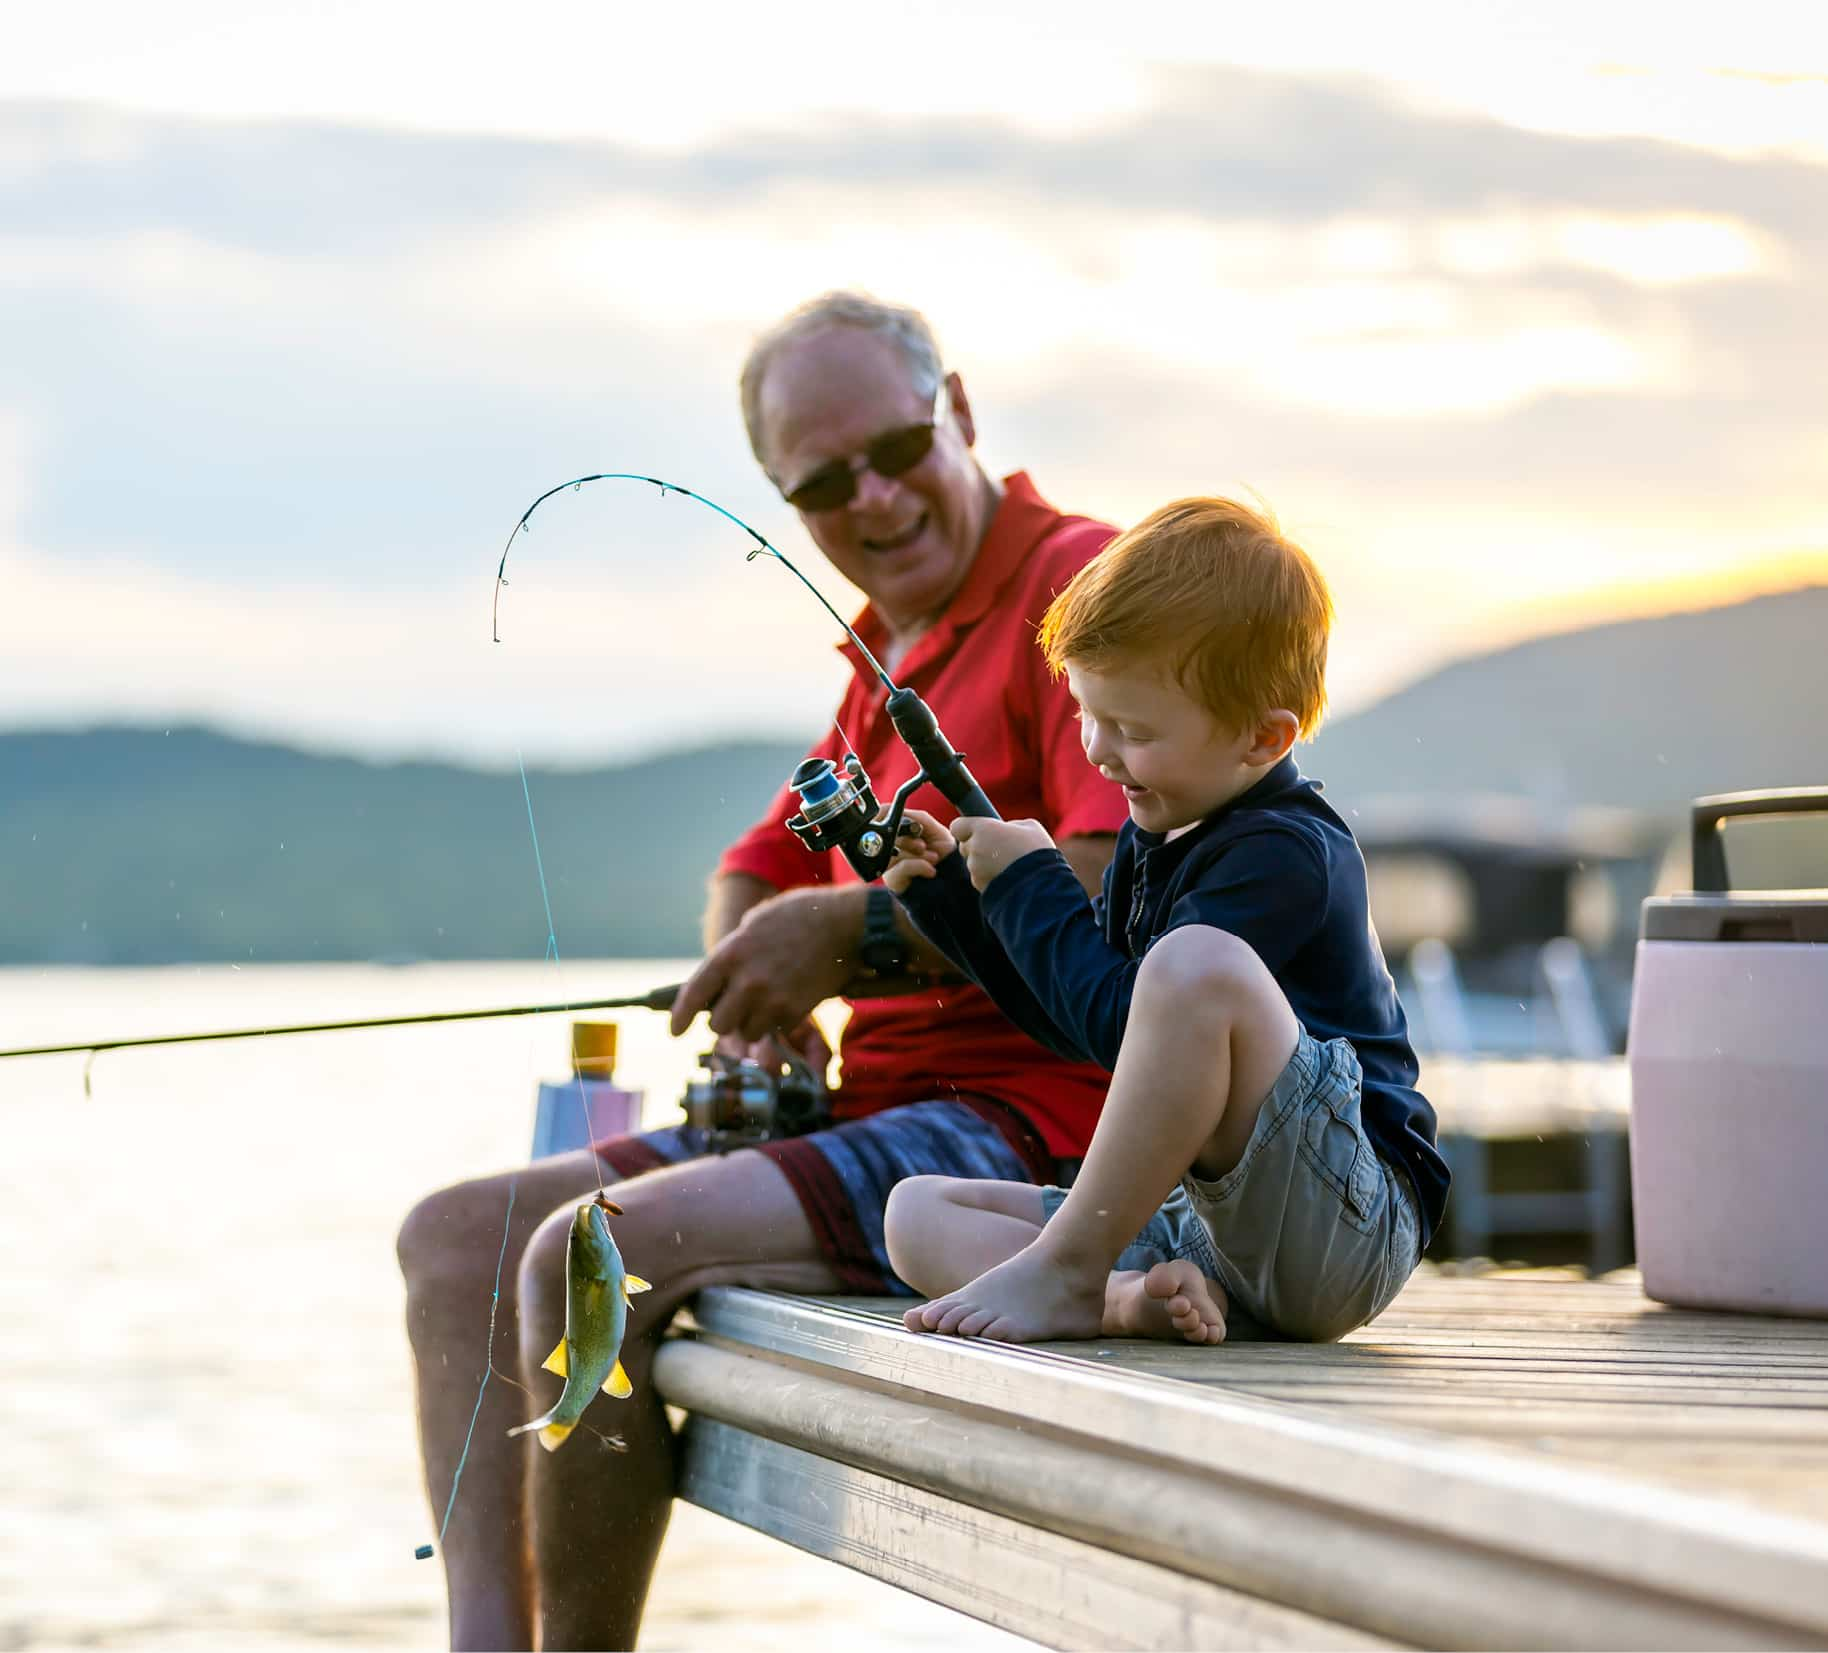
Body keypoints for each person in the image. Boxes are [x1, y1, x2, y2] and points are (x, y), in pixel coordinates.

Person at [394, 290, 1129, 1649]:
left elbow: (1111, 880)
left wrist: (838, 943)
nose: (876, 500)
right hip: (871, 1116)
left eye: (899, 452)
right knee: (454, 1241)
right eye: (824, 483)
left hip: (1025, 1134)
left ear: (957, 414)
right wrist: (760, 985)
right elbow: (757, 859)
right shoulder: (892, 644)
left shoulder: (1076, 593)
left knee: (579, 1256)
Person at [879, 496, 1451, 1346]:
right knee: (914, 1213)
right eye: (1086, 712)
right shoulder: (1160, 835)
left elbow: (1129, 1010)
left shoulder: (1288, 851)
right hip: (1209, 1229)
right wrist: (961, 902)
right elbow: (1086, 1022)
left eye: (1132, 729)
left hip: (1344, 1225)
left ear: (1263, 737)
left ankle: (1069, 1271)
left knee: (1192, 966)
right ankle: (1119, 1295)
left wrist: (1036, 879)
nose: (1099, 750)